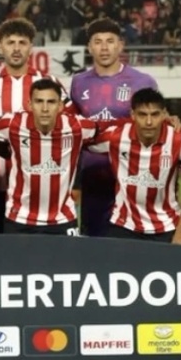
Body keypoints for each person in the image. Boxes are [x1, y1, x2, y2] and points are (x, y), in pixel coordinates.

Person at [0, 18, 70, 233]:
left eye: (22, 42)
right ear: (0, 46)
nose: (16, 48)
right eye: (10, 42)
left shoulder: (49, 83)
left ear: (31, 47)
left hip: (41, 184)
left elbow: (67, 123)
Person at [70, 18, 158, 237]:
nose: (104, 47)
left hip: (132, 178)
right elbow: (75, 132)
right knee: (94, 244)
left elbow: (156, 126)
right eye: (98, 42)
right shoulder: (78, 82)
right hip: (93, 178)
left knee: (132, 245)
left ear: (120, 45)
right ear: (89, 47)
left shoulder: (142, 81)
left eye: (110, 41)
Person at [0, 79, 101, 236]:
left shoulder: (78, 127)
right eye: (39, 101)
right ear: (29, 105)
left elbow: (108, 132)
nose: (45, 109)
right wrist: (4, 151)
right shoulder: (12, 124)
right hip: (19, 218)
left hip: (62, 219)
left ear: (60, 106)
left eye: (51, 102)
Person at [88, 88, 181, 244]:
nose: (148, 122)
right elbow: (77, 137)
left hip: (167, 227)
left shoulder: (180, 139)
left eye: (155, 115)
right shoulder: (116, 137)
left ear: (164, 114)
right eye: (142, 115)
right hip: (123, 226)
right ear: (132, 115)